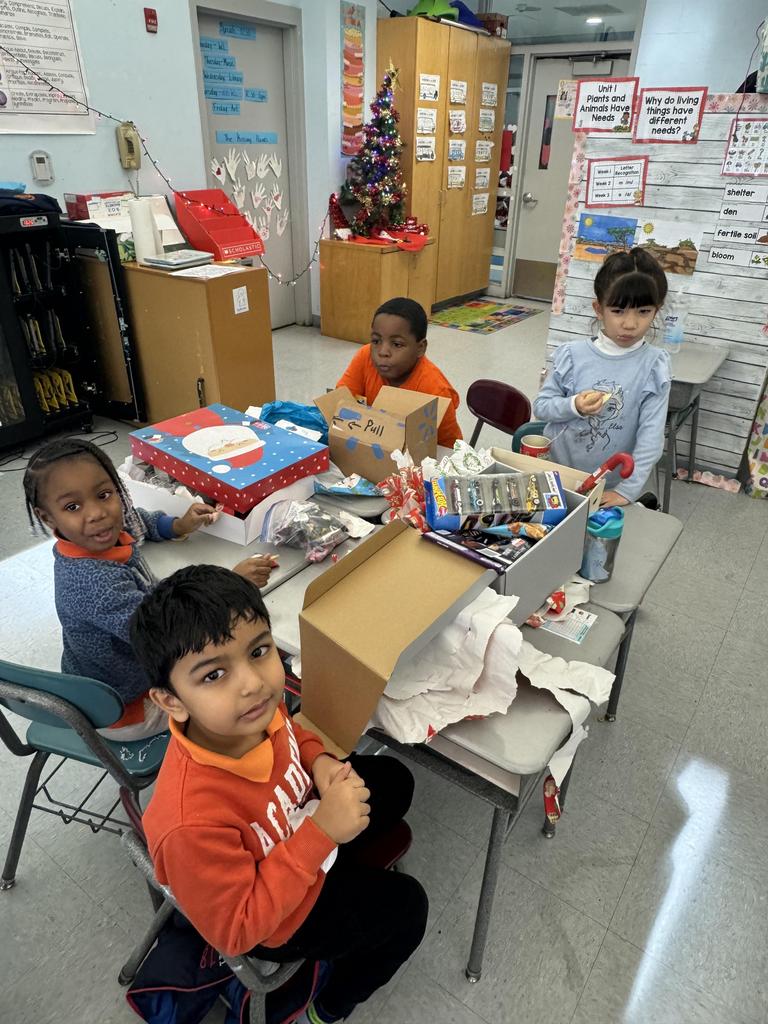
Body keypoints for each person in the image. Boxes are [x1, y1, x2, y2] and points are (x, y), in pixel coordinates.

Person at [133, 565, 428, 1024]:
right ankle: (326, 1010)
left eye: (258, 651)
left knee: (396, 781)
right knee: (408, 910)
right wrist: (321, 834)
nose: (252, 683)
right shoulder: (189, 823)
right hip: (282, 914)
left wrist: (319, 761)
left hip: (301, 820)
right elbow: (238, 932)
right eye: (214, 675)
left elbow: (290, 733)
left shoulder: (248, 712)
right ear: (171, 701)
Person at [23, 438, 276, 738]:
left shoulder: (100, 532)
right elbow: (165, 633)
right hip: (125, 707)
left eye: (104, 495)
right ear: (47, 517)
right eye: (72, 506)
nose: (97, 513)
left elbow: (137, 521)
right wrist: (233, 585)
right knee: (227, 700)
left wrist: (178, 526)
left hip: (106, 679)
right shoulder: (94, 583)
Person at [533, 248, 671, 506]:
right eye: (618, 311)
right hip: (557, 474)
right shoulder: (571, 355)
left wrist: (626, 491)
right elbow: (541, 408)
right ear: (599, 308)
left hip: (609, 486)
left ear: (657, 310)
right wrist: (574, 405)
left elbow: (650, 440)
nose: (630, 324)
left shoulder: (654, 365)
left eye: (643, 311)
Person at [337, 295, 463, 448]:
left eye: (397, 344)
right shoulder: (365, 356)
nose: (382, 352)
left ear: (420, 348)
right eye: (376, 341)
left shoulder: (435, 391)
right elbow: (341, 404)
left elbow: (451, 449)